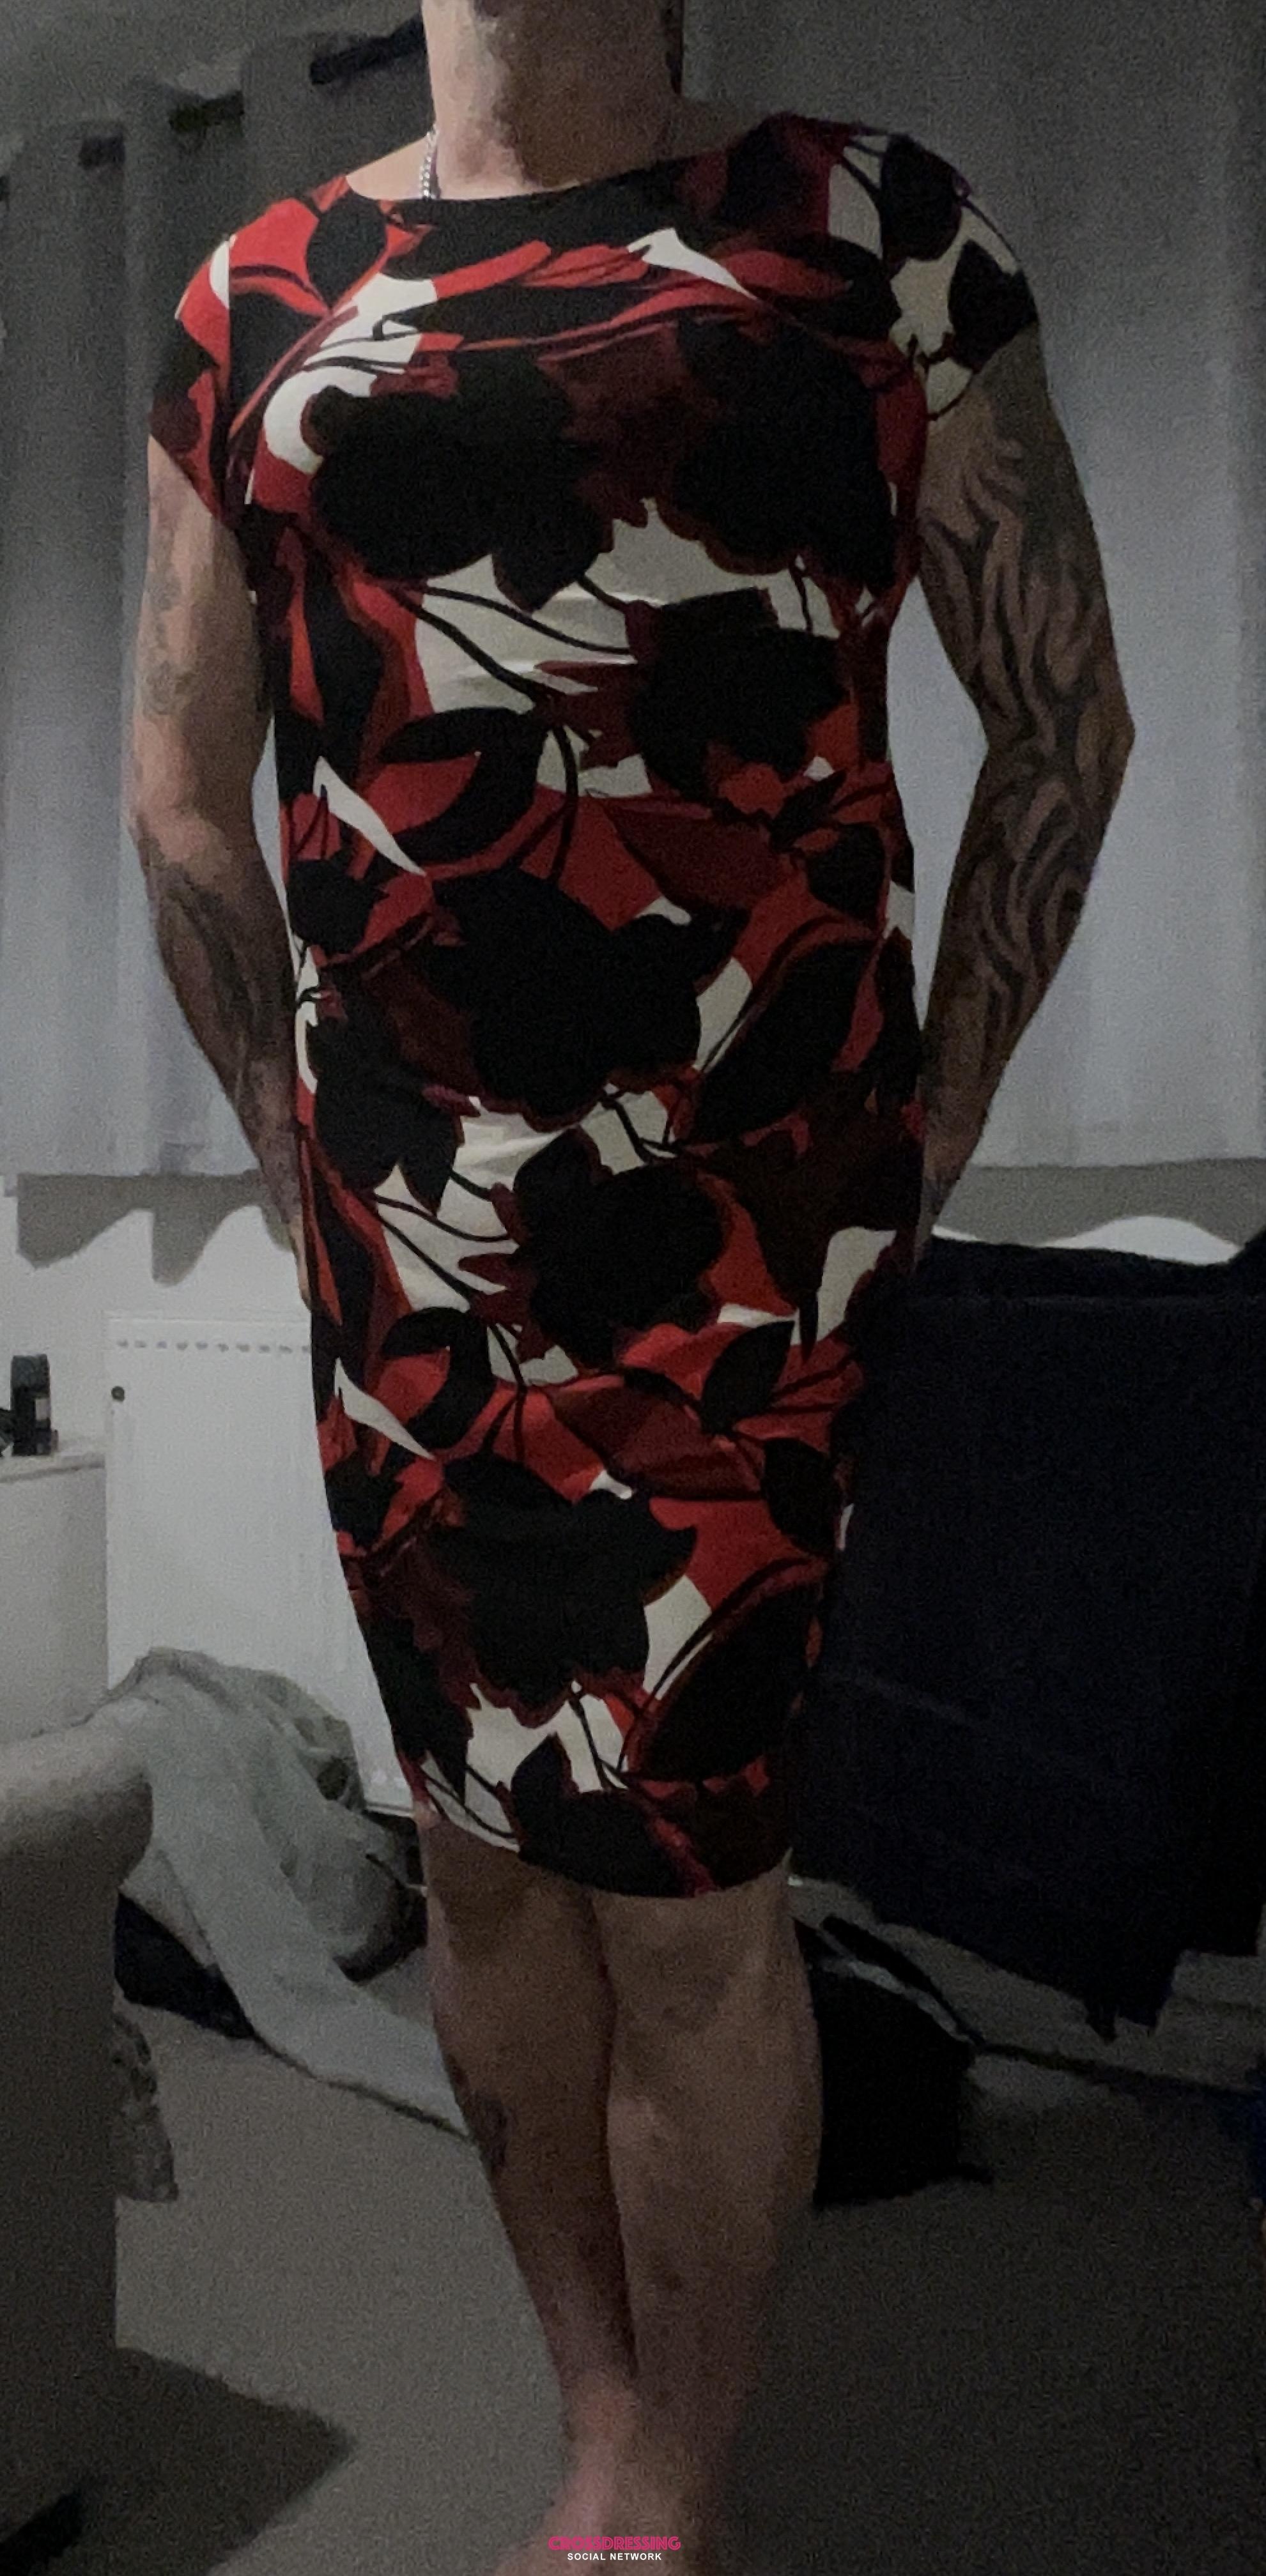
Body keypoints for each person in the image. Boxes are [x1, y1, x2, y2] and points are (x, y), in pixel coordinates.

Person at [128, 3, 1135, 2567]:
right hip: (415, 1258)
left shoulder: (872, 233)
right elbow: (180, 788)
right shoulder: (260, 295)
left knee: (689, 1888)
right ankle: (589, 2398)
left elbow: (1065, 720)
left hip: (746, 1248)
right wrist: (296, 1153)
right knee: (478, 1857)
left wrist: (929, 1124)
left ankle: (661, 2479)